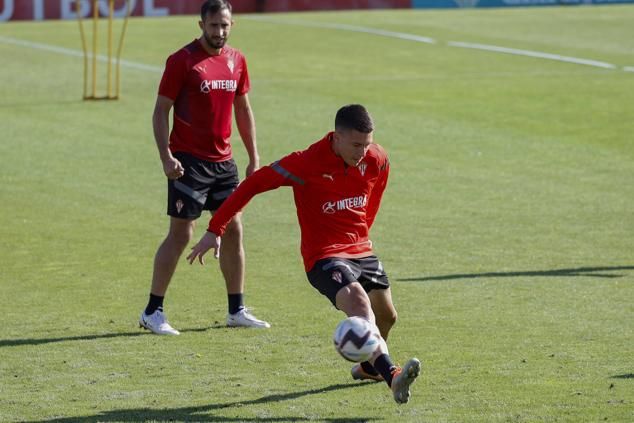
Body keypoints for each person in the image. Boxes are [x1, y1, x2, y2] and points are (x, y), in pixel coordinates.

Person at [187, 105, 421, 404]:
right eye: (356, 145)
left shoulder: (376, 158)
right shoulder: (306, 163)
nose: (363, 152)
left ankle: (368, 367)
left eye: (367, 144)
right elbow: (253, 185)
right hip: (324, 257)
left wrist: (363, 233)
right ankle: (393, 376)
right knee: (362, 308)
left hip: (361, 250)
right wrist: (215, 229)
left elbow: (376, 189)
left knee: (387, 317)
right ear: (336, 137)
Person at [139, 0, 270, 336]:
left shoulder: (237, 60)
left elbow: (243, 109)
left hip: (224, 163)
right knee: (182, 233)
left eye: (225, 26)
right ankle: (152, 311)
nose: (219, 32)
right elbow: (159, 112)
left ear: (232, 24)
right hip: (189, 163)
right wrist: (166, 156)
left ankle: (236, 309)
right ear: (201, 25)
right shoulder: (181, 61)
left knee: (235, 229)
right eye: (213, 26)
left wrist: (254, 155)